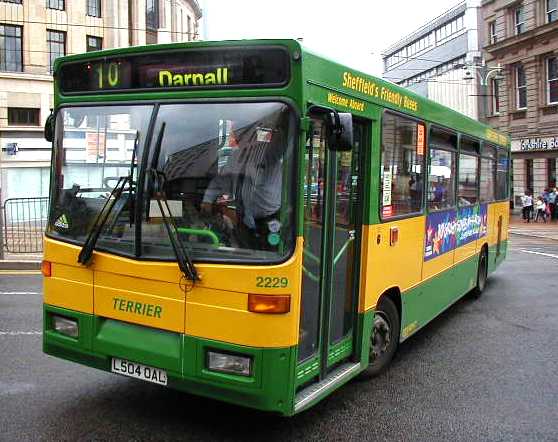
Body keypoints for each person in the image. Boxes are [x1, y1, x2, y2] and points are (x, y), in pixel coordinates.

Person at [201, 111, 288, 250]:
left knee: (269, 258)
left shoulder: (268, 152)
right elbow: (221, 181)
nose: (236, 137)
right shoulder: (235, 157)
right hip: (245, 221)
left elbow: (283, 139)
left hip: (270, 221)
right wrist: (207, 199)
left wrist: (279, 118)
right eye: (237, 133)